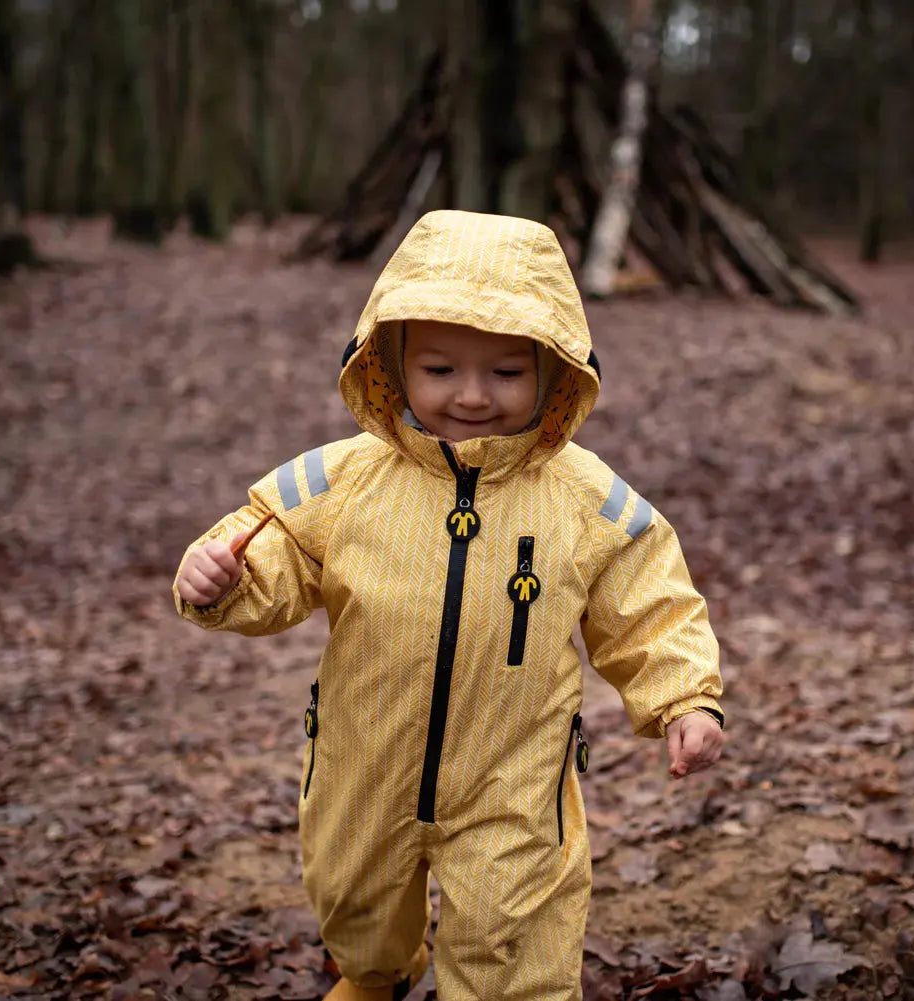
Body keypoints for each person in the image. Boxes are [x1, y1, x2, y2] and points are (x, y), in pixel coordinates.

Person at [174, 210, 725, 1000]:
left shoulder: (586, 500)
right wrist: (223, 578)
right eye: (440, 370)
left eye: (506, 373)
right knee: (353, 894)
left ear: (554, 371)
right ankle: (372, 973)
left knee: (514, 928)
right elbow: (272, 547)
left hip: (511, 773)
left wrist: (683, 696)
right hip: (363, 760)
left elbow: (649, 600)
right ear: (391, 366)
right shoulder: (338, 482)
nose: (471, 396)